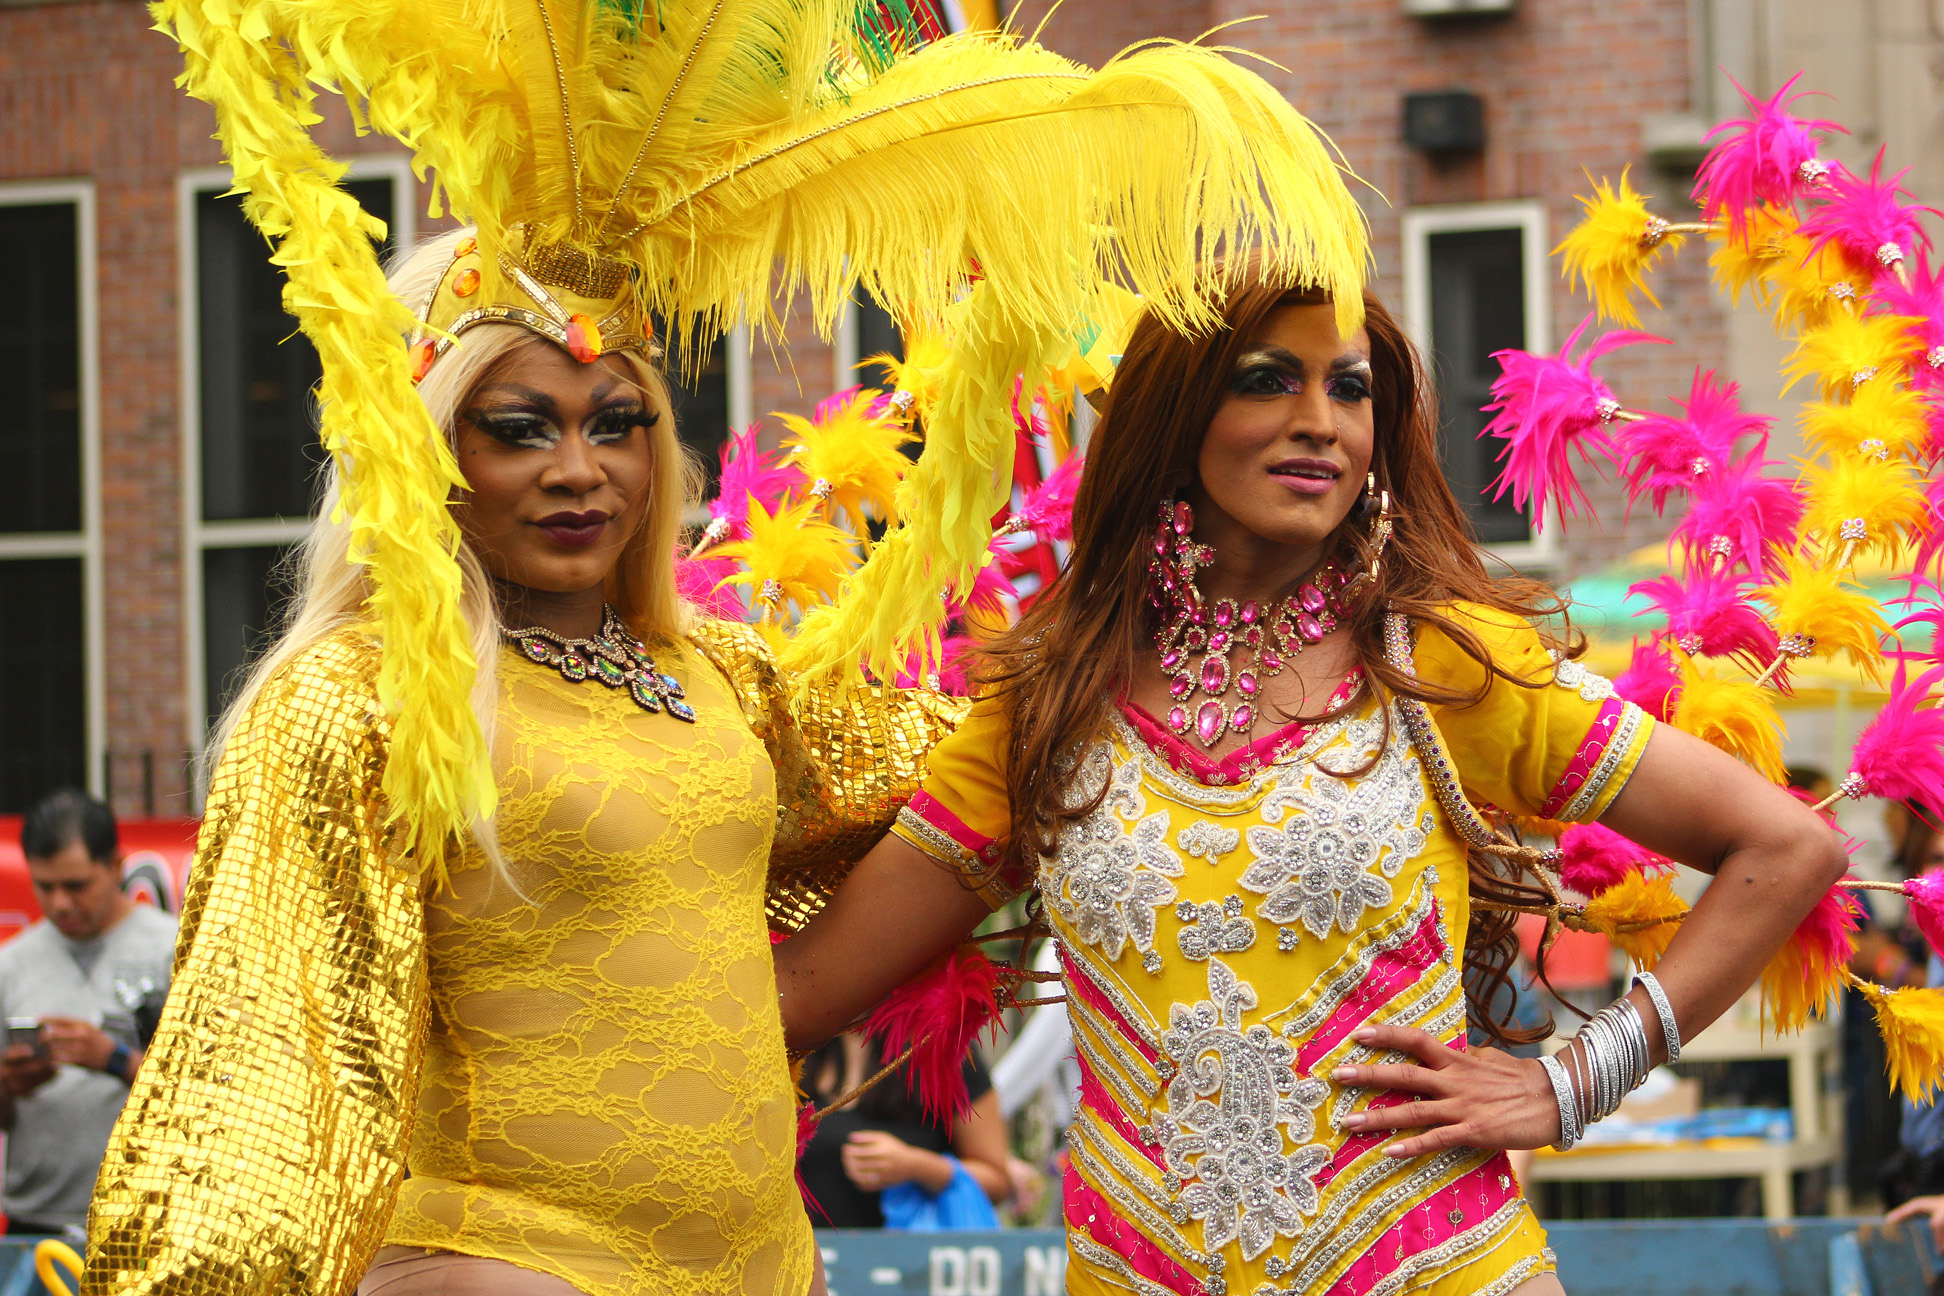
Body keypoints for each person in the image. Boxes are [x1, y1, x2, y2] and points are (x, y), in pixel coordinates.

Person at [88, 1, 1372, 1292]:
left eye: (617, 423)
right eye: (522, 428)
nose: (581, 470)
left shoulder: (721, 677)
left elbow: (985, 759)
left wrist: (1201, 565)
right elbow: (266, 1067)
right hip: (508, 1263)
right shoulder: (357, 697)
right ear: (430, 454)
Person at [775, 270, 1849, 1296]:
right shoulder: (1046, 705)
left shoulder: (1440, 663)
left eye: (1349, 388)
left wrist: (1573, 1079)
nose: (1320, 422)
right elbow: (801, 996)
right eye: (1266, 380)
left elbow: (1788, 846)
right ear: (1173, 414)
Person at [0, 789, 175, 1236]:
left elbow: (216, 1095)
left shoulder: (175, 950)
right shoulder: (10, 963)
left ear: (116, 866)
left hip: (147, 1219)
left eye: (76, 885)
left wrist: (116, 1060)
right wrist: (9, 1084)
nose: (60, 903)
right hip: (36, 1222)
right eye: (44, 886)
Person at [797, 1033, 1009, 1229]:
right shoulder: (793, 1045)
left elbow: (998, 1181)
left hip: (912, 1253)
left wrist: (918, 1166)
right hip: (805, 1252)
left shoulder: (944, 1046)